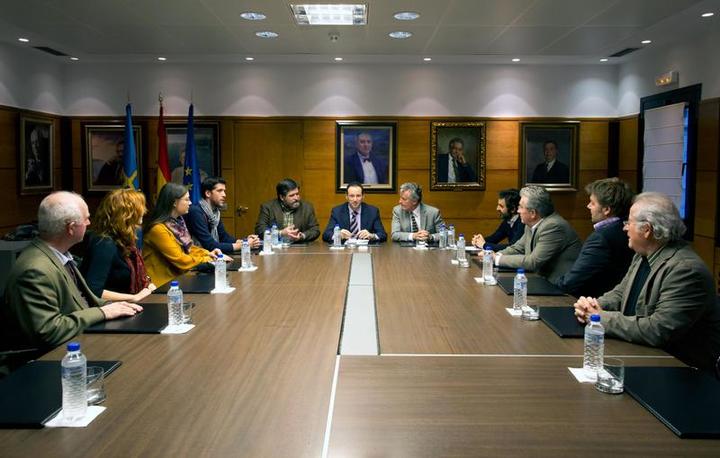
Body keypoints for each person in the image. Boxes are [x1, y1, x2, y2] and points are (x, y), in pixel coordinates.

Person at [574, 192, 720, 372]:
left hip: (679, 370)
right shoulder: (642, 255)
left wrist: (600, 318)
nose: (624, 228)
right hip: (640, 355)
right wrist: (592, 306)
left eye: (628, 223)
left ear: (647, 230)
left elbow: (658, 330)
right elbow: (620, 293)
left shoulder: (686, 270)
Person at [1, 192, 142, 362]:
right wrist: (102, 312)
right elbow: (49, 332)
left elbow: (84, 301)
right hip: (48, 362)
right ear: (71, 228)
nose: (89, 223)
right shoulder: (35, 270)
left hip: (77, 346)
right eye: (86, 219)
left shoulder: (59, 256)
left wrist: (118, 307)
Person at [554, 178, 635, 297]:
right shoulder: (626, 229)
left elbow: (572, 281)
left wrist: (551, 287)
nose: (588, 206)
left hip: (593, 301)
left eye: (592, 203)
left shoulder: (601, 238)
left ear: (606, 210)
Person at [80, 188, 157, 302]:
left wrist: (148, 283)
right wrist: (134, 297)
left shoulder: (133, 234)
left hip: (128, 303)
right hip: (108, 307)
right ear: (127, 214)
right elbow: (93, 290)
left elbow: (137, 271)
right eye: (140, 207)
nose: (144, 211)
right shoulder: (104, 243)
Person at [143, 183, 225, 287]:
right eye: (186, 199)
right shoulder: (158, 229)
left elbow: (189, 248)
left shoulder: (177, 223)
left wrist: (208, 254)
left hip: (178, 279)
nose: (190, 203)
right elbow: (181, 259)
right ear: (174, 202)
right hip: (161, 286)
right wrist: (208, 259)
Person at [495, 186, 581, 283]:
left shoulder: (553, 226)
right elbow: (518, 248)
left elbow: (533, 262)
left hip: (560, 285)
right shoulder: (530, 224)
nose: (518, 211)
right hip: (541, 280)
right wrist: (495, 255)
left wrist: (497, 259)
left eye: (521, 207)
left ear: (533, 213)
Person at [185, 177, 260, 253]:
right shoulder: (195, 212)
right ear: (208, 193)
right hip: (196, 256)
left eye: (224, 191)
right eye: (219, 191)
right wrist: (245, 245)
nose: (224, 195)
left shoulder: (215, 213)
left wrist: (244, 241)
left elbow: (224, 237)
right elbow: (210, 245)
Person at [254, 178, 320, 243]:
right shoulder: (268, 208)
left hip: (299, 246)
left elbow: (315, 230)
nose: (296, 198)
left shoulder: (307, 207)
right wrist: (280, 233)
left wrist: (301, 236)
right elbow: (260, 230)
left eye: (297, 194)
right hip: (276, 246)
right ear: (282, 197)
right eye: (292, 195)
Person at [322, 182, 387, 243]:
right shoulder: (337, 211)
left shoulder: (372, 211)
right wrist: (338, 235)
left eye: (358, 196)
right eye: (352, 196)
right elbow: (326, 235)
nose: (355, 199)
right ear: (346, 196)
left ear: (363, 196)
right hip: (345, 249)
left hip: (365, 248)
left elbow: (383, 235)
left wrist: (371, 236)